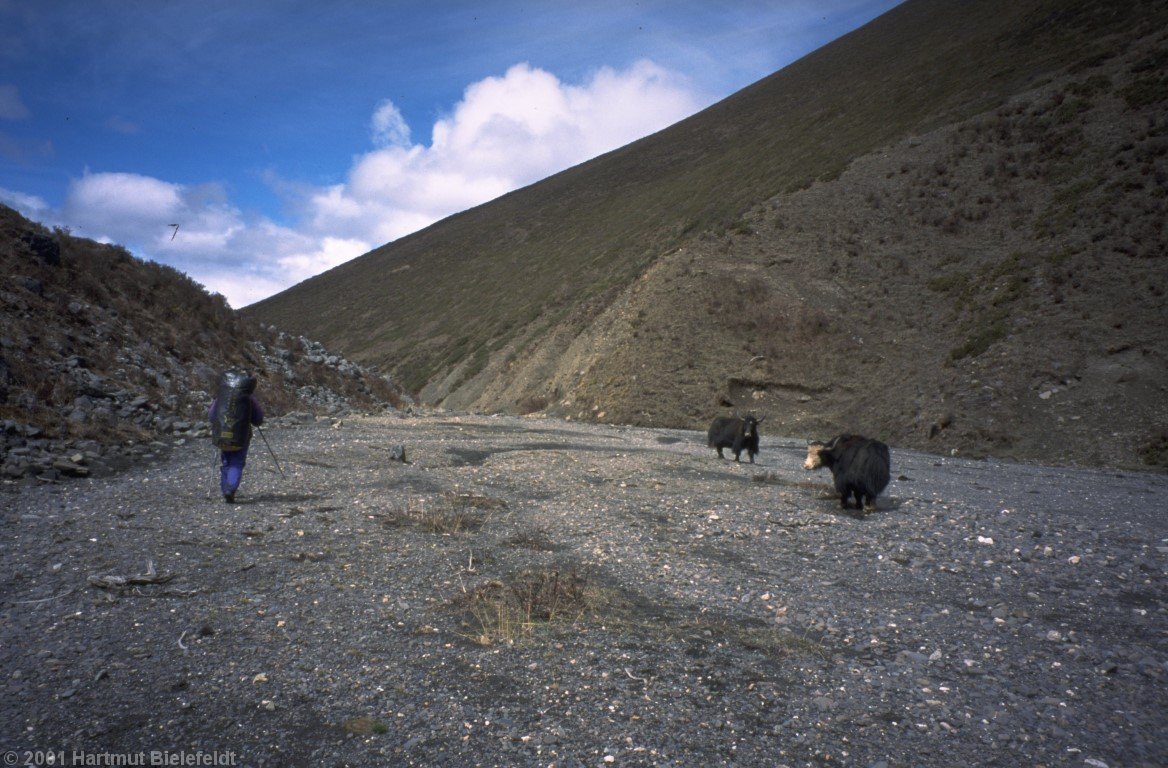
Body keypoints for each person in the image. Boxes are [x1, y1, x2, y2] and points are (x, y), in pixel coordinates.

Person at [208, 371, 264, 503]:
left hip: (222, 434)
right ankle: (230, 489)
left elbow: (211, 416)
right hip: (241, 435)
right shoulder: (248, 398)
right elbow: (258, 419)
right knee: (237, 462)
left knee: (226, 461)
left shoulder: (222, 397)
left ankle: (225, 490)